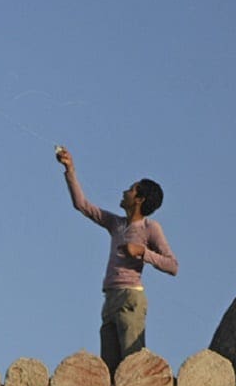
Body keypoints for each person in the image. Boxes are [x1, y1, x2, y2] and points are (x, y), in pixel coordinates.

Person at [55, 146, 178, 373]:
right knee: (110, 370)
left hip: (130, 298)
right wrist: (69, 169)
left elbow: (172, 266)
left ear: (139, 199)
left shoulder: (150, 228)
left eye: (131, 190)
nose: (124, 192)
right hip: (111, 299)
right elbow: (82, 205)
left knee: (132, 365)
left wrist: (142, 252)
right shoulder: (117, 224)